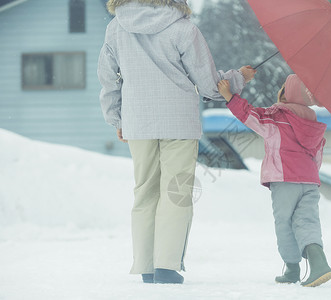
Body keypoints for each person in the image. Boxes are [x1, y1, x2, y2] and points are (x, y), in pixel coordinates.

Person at [97, 0, 256, 284]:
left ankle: (146, 266)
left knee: (145, 191)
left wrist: (117, 118)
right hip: (178, 120)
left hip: (138, 120)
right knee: (176, 192)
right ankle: (166, 267)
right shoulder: (184, 29)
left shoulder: (115, 28)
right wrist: (238, 78)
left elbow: (108, 78)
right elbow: (209, 84)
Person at [217, 74, 331, 287]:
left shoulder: (276, 117)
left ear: (288, 95)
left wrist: (230, 97)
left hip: (284, 178)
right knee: (307, 221)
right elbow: (317, 157)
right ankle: (319, 263)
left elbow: (250, 115)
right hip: (310, 180)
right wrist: (307, 175)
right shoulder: (313, 124)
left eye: (284, 88)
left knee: (285, 222)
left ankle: (292, 268)